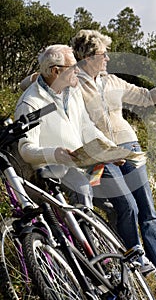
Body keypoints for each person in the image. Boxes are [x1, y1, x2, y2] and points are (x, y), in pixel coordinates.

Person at [20, 36, 156, 283]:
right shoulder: (73, 81)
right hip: (95, 152)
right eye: (103, 54)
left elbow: (147, 96)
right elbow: (38, 82)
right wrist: (35, 81)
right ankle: (132, 260)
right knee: (124, 205)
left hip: (124, 146)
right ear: (88, 58)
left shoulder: (112, 81)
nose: (108, 58)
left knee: (146, 208)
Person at [14, 44, 116, 208]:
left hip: (80, 164)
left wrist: (111, 149)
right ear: (56, 71)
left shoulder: (72, 91)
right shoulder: (30, 103)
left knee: (122, 203)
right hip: (51, 168)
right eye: (73, 67)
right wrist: (55, 153)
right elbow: (26, 149)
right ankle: (82, 231)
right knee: (83, 191)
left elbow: (86, 127)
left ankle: (96, 228)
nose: (78, 70)